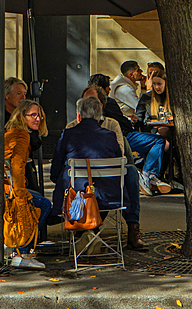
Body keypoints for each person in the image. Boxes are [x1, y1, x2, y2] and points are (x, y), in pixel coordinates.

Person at [51, 96, 142, 251]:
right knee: (130, 172)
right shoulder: (109, 135)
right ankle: (126, 230)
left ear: (79, 114)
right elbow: (117, 160)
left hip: (77, 199)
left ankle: (84, 234)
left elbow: (55, 169)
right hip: (110, 196)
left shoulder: (68, 134)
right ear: (100, 115)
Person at [0, 99, 51, 269]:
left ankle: (12, 244)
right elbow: (17, 169)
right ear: (22, 116)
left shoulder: (10, 132)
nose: (38, 119)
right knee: (44, 204)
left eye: (40, 115)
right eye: (33, 115)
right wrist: (21, 196)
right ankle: (22, 253)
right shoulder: (22, 135)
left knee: (36, 197)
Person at [92, 73, 170, 196]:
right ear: (102, 89)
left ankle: (150, 176)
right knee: (158, 140)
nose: (110, 89)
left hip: (100, 143)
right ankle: (148, 175)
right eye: (108, 87)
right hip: (122, 137)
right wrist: (130, 124)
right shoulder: (108, 102)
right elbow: (121, 121)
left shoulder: (84, 104)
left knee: (154, 144)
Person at [0, 77, 41, 192]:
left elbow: (35, 143)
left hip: (22, 170)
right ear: (6, 95)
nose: (23, 97)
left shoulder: (27, 116)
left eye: (24, 94)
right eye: (19, 93)